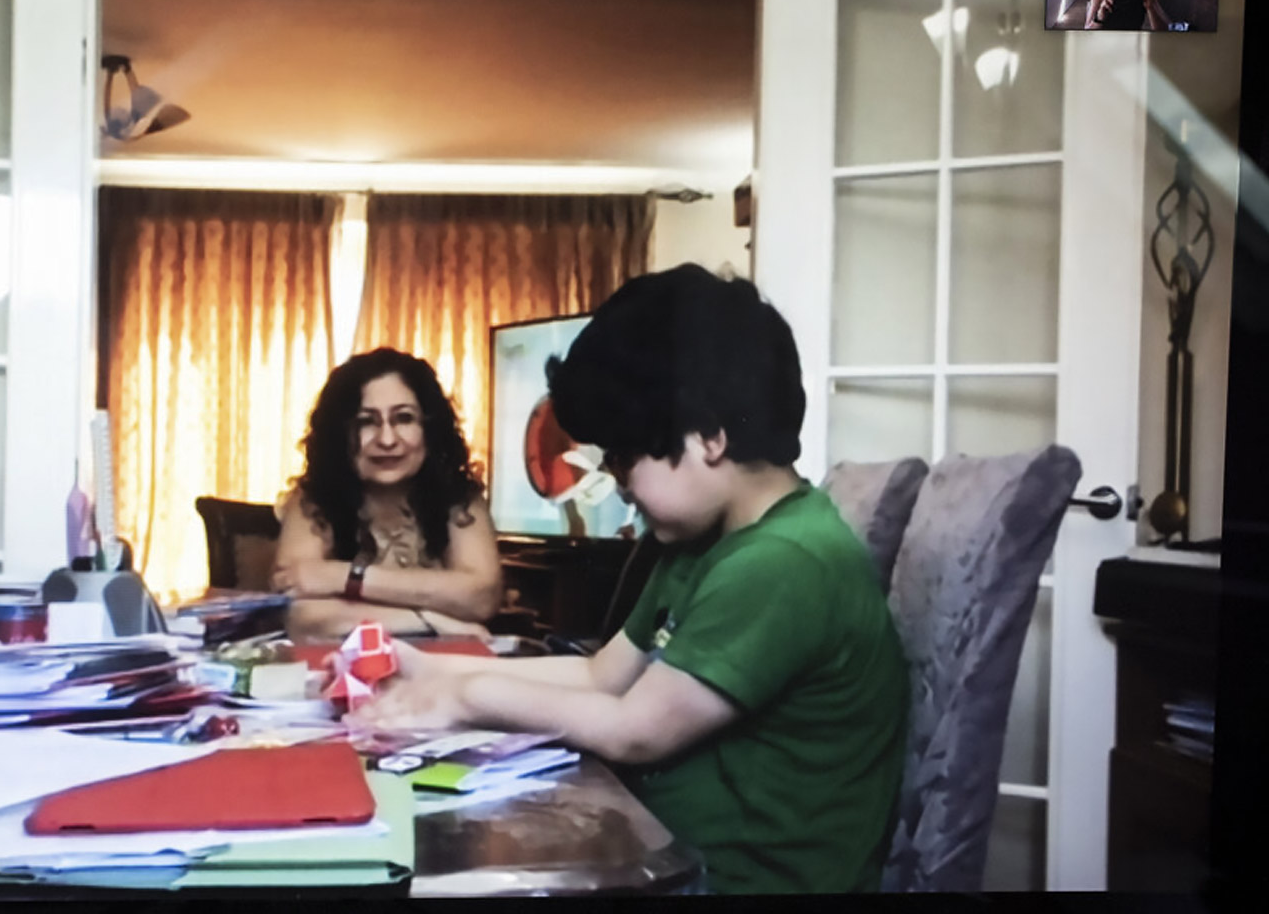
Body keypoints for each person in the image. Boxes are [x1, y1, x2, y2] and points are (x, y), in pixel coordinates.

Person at [347, 265, 910, 895]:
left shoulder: (784, 562)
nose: (616, 483)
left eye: (622, 457)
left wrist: (469, 697)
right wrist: (428, 668)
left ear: (709, 436)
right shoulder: (706, 541)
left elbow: (635, 729)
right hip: (659, 850)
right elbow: (601, 675)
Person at [270, 348, 503, 642]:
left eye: (404, 418)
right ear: (339, 434)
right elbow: (302, 617)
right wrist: (431, 620)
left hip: (441, 670)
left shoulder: (459, 497)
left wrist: (345, 578)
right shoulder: (313, 500)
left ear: (429, 430)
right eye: (366, 421)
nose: (387, 439)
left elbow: (481, 597)